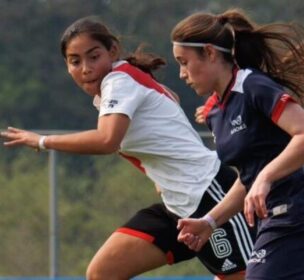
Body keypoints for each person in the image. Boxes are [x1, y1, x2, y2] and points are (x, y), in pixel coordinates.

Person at [0, 17, 257, 280]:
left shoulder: (118, 81)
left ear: (112, 52)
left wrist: (42, 141)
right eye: (75, 61)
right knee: (103, 272)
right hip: (176, 205)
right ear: (67, 67)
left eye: (94, 56)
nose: (86, 68)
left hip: (209, 195)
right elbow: (170, 99)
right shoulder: (121, 84)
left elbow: (106, 140)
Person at [171, 8, 304, 279]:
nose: (182, 74)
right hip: (272, 223)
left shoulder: (253, 86)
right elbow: (248, 178)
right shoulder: (214, 112)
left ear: (211, 53)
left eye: (184, 62)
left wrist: (266, 177)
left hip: (297, 220)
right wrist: (209, 222)